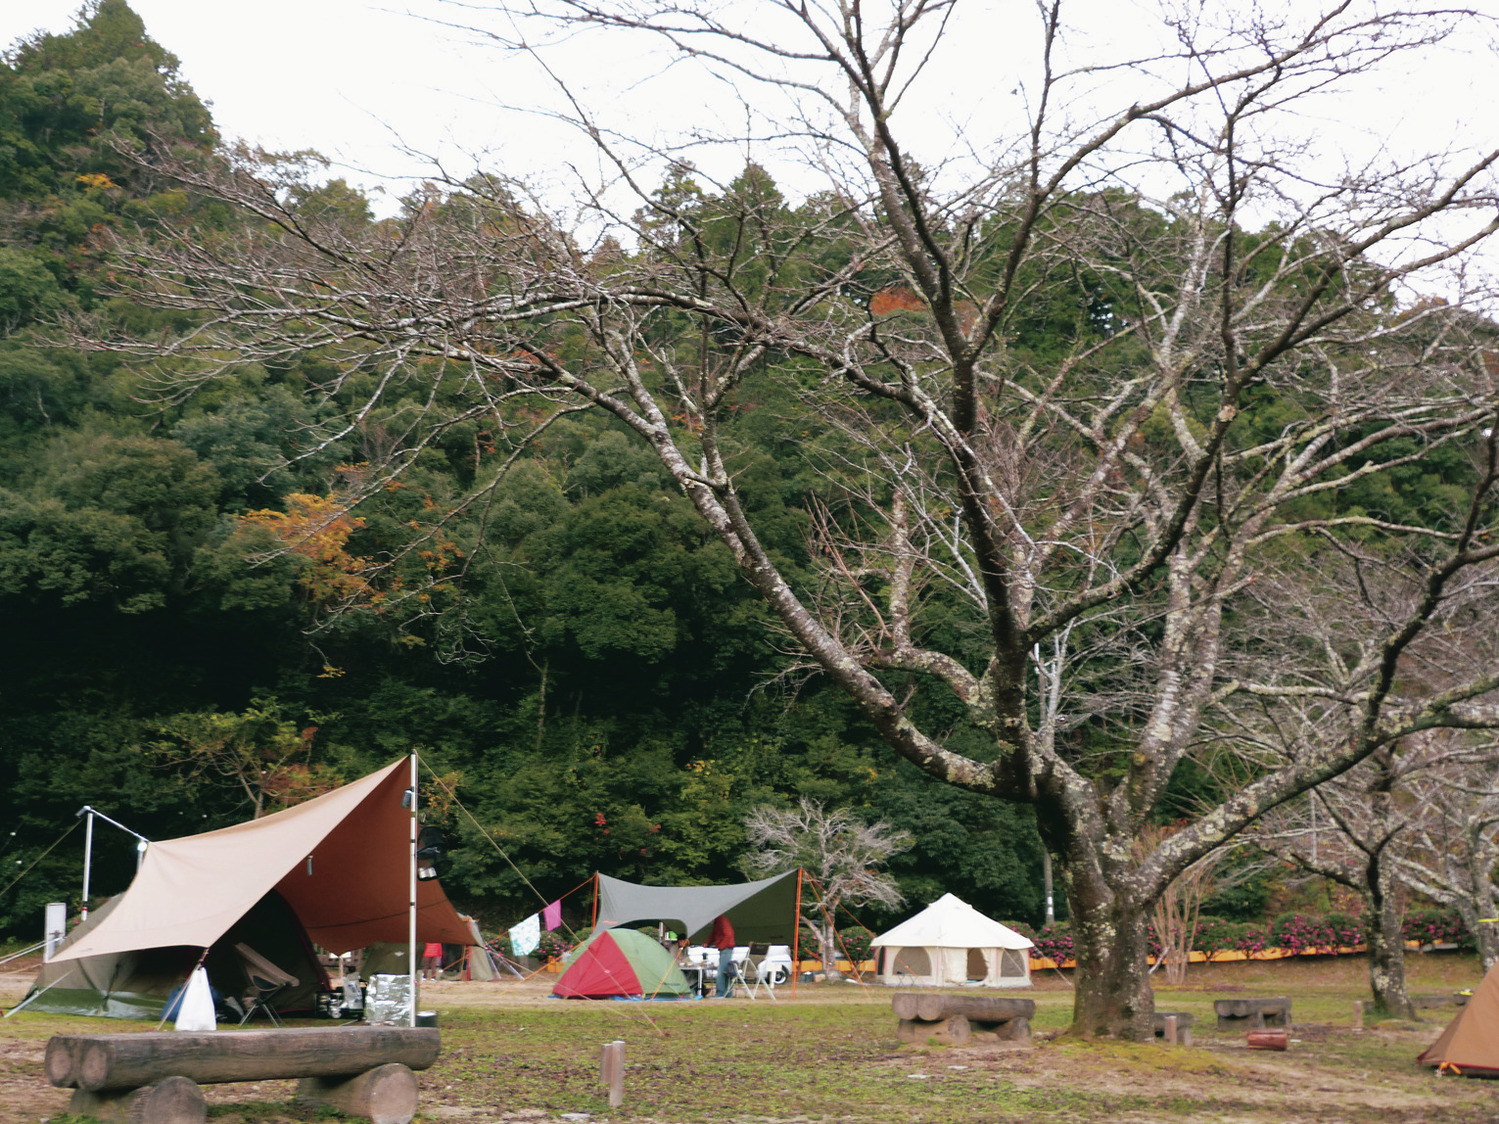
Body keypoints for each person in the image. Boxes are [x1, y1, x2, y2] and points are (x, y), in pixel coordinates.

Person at [707, 914, 736, 998]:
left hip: (726, 949)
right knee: (726, 972)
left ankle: (720, 993)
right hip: (725, 949)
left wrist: (721, 946)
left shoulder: (721, 920)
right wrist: (707, 942)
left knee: (721, 972)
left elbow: (729, 934)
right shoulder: (718, 922)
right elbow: (714, 933)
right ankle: (728, 994)